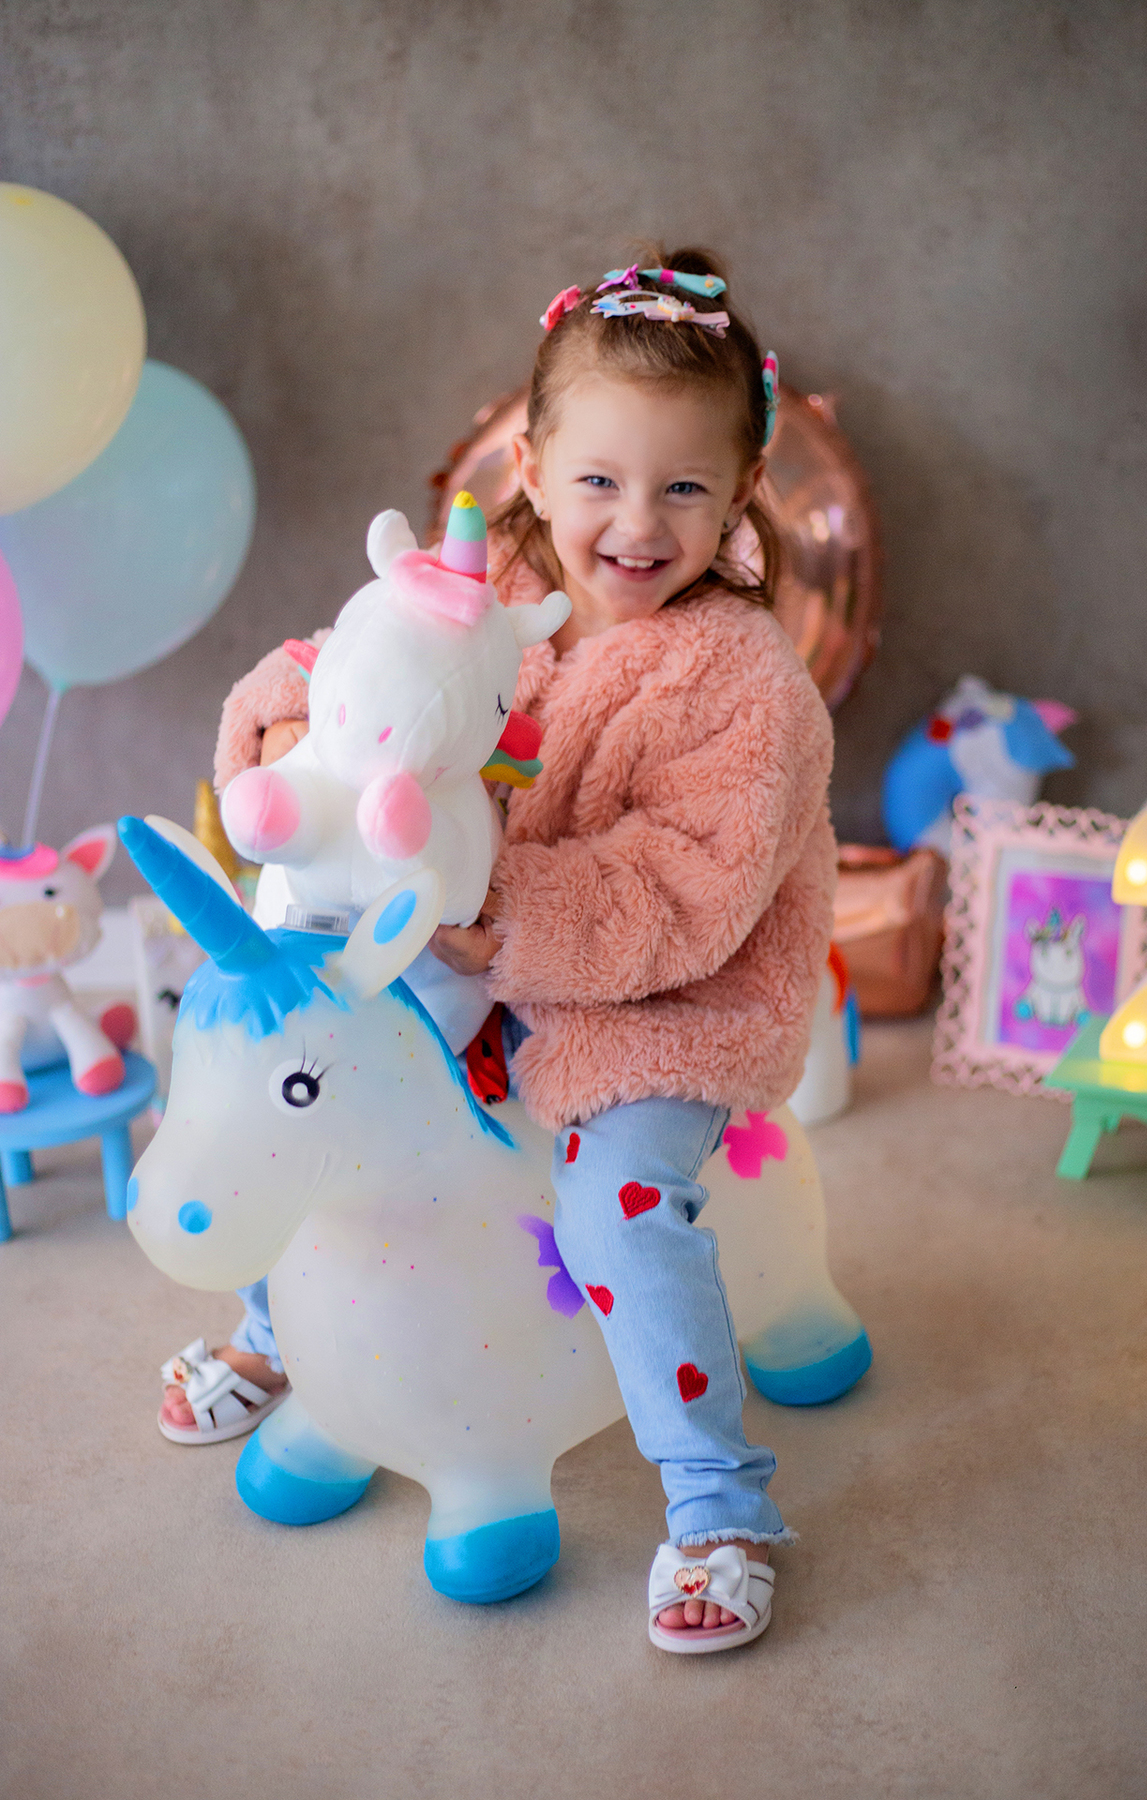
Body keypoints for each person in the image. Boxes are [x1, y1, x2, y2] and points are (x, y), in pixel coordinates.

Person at [160, 247, 835, 1654]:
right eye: (598, 480)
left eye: (684, 489)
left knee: (615, 1210)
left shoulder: (748, 687)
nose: (635, 524)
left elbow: (685, 893)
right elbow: (341, 664)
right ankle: (281, 1329)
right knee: (312, 1064)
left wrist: (502, 921)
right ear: (529, 465)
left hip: (662, 1006)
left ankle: (715, 1504)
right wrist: (288, 732)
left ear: (741, 494)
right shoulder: (476, 591)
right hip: (458, 952)